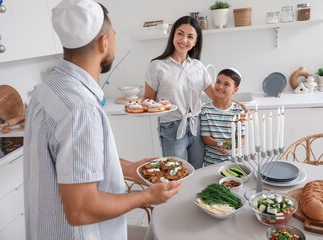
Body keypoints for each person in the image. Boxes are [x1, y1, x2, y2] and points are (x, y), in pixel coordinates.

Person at [23, 0, 182, 239]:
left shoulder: (48, 89)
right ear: (103, 42)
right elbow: (81, 210)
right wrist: (147, 197)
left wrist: (132, 169)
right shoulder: (80, 109)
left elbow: (74, 162)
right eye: (115, 35)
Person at [143, 16, 248, 169]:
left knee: (197, 171)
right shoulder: (157, 66)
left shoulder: (198, 66)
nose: (184, 39)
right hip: (171, 127)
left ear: (195, 41)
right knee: (177, 173)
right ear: (173, 35)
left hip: (197, 125)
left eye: (190, 36)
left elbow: (216, 95)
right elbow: (148, 99)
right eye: (180, 33)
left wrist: (241, 108)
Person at [200, 68, 245, 166]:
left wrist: (238, 145)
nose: (220, 86)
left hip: (233, 162)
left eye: (226, 84)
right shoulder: (205, 110)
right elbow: (205, 137)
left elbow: (241, 137)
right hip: (211, 163)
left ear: (235, 90)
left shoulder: (238, 112)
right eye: (218, 82)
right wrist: (219, 145)